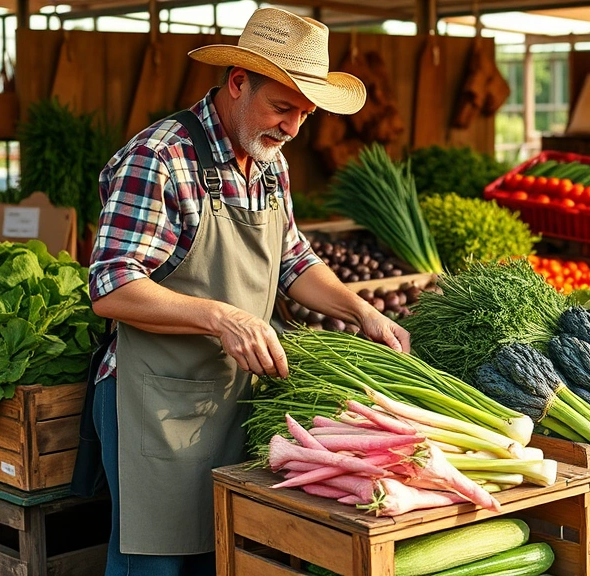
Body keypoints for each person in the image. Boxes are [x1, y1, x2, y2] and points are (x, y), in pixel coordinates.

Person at [80, 7, 409, 575]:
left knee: (230, 556)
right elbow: (111, 286)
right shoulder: (159, 157)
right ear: (237, 82)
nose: (292, 129)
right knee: (157, 565)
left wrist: (361, 312)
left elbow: (294, 261)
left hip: (236, 402)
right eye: (282, 108)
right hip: (158, 404)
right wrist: (222, 318)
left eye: (303, 115)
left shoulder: (267, 162)